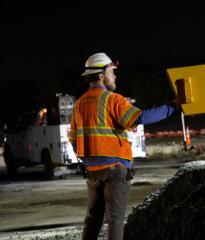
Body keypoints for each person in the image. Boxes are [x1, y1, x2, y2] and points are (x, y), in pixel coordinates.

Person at [69, 53, 180, 240]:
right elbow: (140, 117)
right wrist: (173, 107)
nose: (115, 76)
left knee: (93, 219)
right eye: (112, 72)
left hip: (92, 170)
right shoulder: (113, 99)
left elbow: (73, 140)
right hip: (115, 169)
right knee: (116, 220)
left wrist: (87, 161)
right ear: (101, 75)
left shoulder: (79, 104)